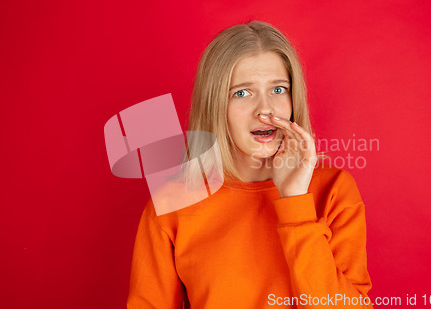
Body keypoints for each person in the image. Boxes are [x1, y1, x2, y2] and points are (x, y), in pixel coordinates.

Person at [127, 21, 373, 308]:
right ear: (215, 104)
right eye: (242, 93)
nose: (265, 110)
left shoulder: (334, 190)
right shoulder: (171, 205)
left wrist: (295, 203)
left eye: (278, 89)